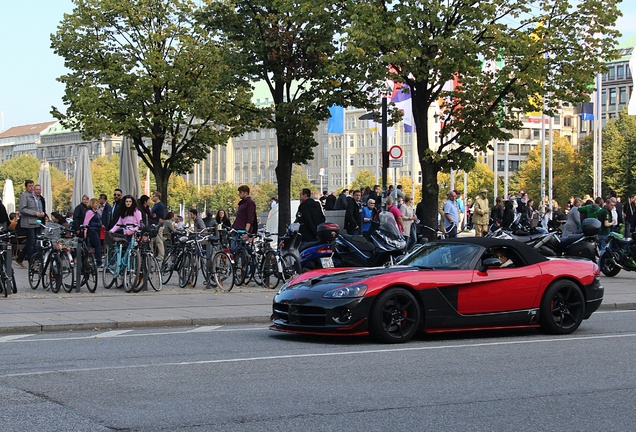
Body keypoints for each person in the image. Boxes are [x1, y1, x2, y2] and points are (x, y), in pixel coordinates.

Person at [16, 180, 46, 268]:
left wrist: (42, 213)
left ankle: (20, 258)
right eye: (30, 186)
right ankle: (31, 262)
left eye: (32, 185)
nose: (32, 187)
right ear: (26, 187)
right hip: (28, 222)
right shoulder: (24, 196)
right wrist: (35, 213)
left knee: (32, 242)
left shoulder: (34, 196)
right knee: (31, 242)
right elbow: (22, 209)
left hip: (36, 222)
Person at [82, 198, 103, 267]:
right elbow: (86, 222)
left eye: (97, 203)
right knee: (98, 245)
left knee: (96, 246)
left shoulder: (95, 212)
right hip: (92, 230)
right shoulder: (90, 212)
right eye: (95, 203)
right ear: (92, 204)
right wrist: (85, 231)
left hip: (96, 230)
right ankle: (98, 261)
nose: (97, 205)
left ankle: (95, 260)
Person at [149, 191, 166, 262]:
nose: (152, 197)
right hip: (154, 224)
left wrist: (158, 225)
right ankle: (152, 253)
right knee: (153, 240)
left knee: (159, 241)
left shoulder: (160, 205)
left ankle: (161, 255)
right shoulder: (155, 205)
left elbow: (161, 217)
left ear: (157, 197)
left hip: (157, 225)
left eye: (153, 196)